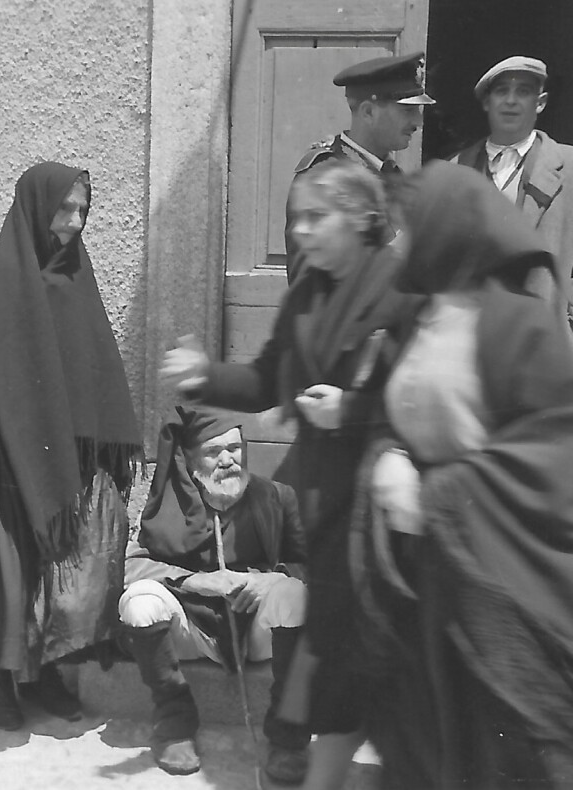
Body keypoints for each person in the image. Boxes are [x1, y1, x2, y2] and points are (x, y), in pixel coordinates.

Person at [349, 160, 573, 789]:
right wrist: (388, 453)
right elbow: (393, 408)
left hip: (499, 584)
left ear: (445, 230)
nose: (398, 242)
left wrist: (436, 493)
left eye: (408, 228)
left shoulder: (519, 324)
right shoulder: (419, 318)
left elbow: (554, 451)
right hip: (429, 578)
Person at [161, 159, 422, 790]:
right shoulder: (307, 292)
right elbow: (268, 377)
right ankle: (313, 753)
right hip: (329, 505)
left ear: (361, 218)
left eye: (315, 217)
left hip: (393, 513)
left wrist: (353, 411)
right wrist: (204, 377)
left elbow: (431, 395)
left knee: (390, 654)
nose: (300, 232)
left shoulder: (404, 288)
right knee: (332, 641)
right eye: (297, 217)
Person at [0, 162, 144, 731]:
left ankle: (47, 672)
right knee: (7, 567)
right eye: (66, 209)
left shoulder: (76, 279)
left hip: (59, 454)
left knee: (58, 569)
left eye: (83, 210)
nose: (76, 222)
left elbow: (95, 372)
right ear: (37, 208)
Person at [119, 405, 309, 781]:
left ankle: (287, 736)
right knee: (139, 602)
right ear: (189, 460)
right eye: (213, 451)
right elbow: (129, 566)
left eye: (235, 449)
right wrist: (195, 581)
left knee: (294, 595)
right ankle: (174, 721)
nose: (227, 460)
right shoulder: (168, 507)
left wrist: (274, 579)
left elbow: (311, 565)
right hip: (193, 632)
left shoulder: (276, 497)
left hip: (258, 632)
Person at [451, 56, 573, 356]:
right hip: (469, 348)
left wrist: (572, 332)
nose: (511, 101)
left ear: (541, 102)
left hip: (543, 348)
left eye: (523, 91)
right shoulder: (457, 168)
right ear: (486, 102)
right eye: (501, 91)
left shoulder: (571, 166)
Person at [286, 51, 435, 282]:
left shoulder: (394, 176)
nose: (418, 122)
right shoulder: (323, 177)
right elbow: (309, 287)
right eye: (408, 110)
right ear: (368, 112)